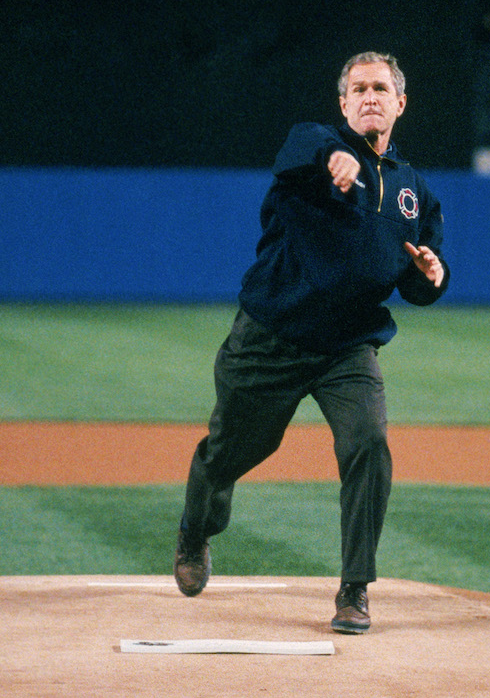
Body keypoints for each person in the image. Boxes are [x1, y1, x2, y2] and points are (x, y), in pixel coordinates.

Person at [173, 51, 449, 635]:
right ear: (344, 103)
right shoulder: (316, 152)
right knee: (230, 454)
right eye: (359, 88)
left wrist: (433, 276)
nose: (370, 96)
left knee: (368, 442)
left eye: (381, 88)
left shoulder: (413, 191)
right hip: (272, 338)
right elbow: (299, 146)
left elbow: (414, 274)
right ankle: (195, 530)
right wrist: (335, 155)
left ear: (400, 104)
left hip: (348, 347)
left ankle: (354, 590)